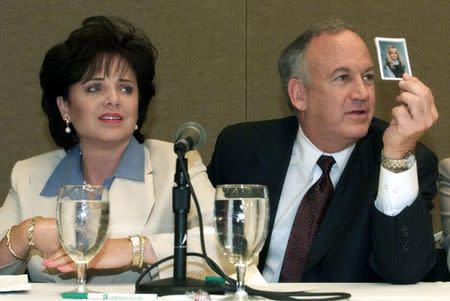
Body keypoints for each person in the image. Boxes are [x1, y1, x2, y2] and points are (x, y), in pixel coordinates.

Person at [208, 18, 439, 284]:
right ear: (299, 94)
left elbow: (405, 271)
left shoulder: (404, 161)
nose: (362, 93)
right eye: (343, 77)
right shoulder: (240, 147)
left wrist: (398, 154)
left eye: (368, 77)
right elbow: (200, 243)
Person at [0, 16, 228, 283]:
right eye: (95, 87)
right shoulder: (29, 175)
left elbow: (231, 244)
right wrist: (28, 232)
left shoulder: (176, 164)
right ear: (64, 108)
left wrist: (133, 249)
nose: (113, 99)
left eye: (126, 88)